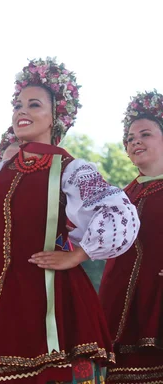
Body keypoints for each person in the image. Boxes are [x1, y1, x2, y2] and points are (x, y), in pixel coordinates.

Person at [0, 58, 139, 383]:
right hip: (2, 305)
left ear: (55, 116)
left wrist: (77, 254)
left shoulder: (70, 170)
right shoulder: (4, 172)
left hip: (52, 302)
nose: (22, 110)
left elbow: (119, 214)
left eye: (34, 104)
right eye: (18, 104)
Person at [99, 90, 163, 383]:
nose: (134, 140)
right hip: (122, 312)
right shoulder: (120, 197)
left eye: (145, 134)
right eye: (129, 137)